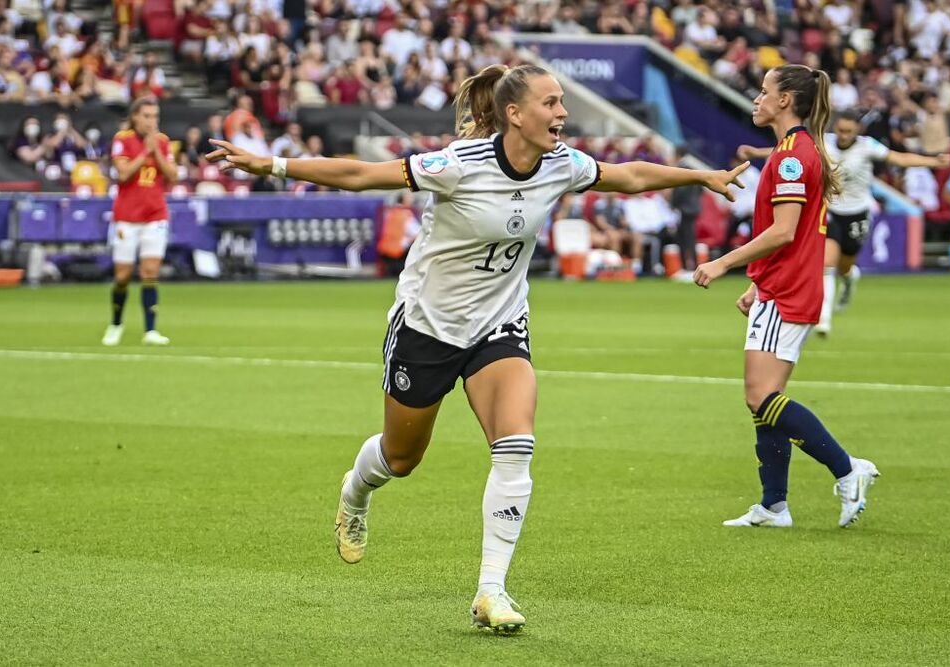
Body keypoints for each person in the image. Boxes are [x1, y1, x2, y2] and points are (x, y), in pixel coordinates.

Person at [205, 63, 748, 634]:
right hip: (428, 327)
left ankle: (491, 590)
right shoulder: (458, 165)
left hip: (499, 325)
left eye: (563, 102)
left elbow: (629, 176)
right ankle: (355, 492)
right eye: (551, 102)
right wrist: (273, 163)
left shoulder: (562, 164)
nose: (563, 113)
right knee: (401, 458)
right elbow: (363, 174)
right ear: (515, 114)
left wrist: (698, 178)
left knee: (516, 444)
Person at [693, 64, 880, 529]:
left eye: (763, 91)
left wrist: (724, 262)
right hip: (781, 285)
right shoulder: (794, 150)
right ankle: (774, 504)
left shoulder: (794, 155)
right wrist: (757, 281)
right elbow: (792, 239)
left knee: (761, 396)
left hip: (790, 291)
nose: (756, 99)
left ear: (785, 101)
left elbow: (783, 231)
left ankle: (847, 468)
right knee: (763, 397)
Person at [738, 110, 950, 336]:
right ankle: (823, 318)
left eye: (849, 131)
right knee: (826, 265)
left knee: (844, 265)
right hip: (828, 210)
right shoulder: (823, 142)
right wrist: (756, 153)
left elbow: (900, 158)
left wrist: (933, 162)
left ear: (857, 130)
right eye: (840, 130)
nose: (844, 135)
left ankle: (849, 279)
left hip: (857, 214)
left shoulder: (868, 146)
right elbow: (789, 152)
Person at [102, 97, 177, 347]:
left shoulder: (163, 142)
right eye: (146, 116)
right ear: (135, 117)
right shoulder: (122, 140)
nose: (151, 121)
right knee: (122, 276)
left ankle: (151, 329)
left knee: (150, 272)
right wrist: (145, 150)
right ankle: (116, 323)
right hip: (127, 216)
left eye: (155, 116)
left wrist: (156, 151)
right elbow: (123, 174)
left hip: (155, 214)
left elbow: (173, 177)